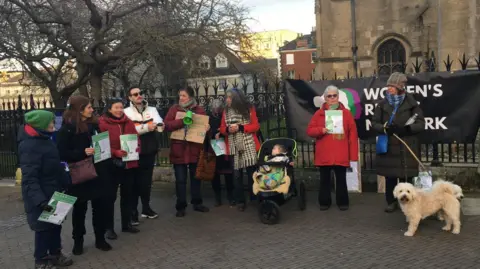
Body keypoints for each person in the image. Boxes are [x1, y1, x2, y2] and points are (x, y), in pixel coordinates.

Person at [56, 96, 112, 255]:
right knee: (80, 210)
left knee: (99, 208)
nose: (92, 110)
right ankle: (78, 241)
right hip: (80, 174)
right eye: (88, 107)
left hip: (98, 171)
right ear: (79, 109)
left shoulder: (94, 125)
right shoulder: (67, 129)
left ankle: (100, 238)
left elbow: (100, 143)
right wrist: (82, 153)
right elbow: (61, 153)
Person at [18, 110, 73, 269]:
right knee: (42, 229)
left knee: (55, 225)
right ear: (41, 124)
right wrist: (40, 201)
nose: (53, 124)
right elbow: (29, 178)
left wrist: (65, 182)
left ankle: (56, 254)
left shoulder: (46, 140)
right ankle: (41, 259)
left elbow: (56, 165)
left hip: (54, 191)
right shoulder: (29, 146)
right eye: (50, 122)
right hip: (41, 195)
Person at [371, 72, 425, 213]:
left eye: (392, 86)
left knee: (406, 177)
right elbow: (374, 122)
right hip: (389, 146)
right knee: (390, 177)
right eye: (388, 86)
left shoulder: (412, 104)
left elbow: (421, 124)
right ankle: (391, 202)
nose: (389, 88)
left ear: (400, 87)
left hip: (406, 145)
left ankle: (409, 203)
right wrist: (385, 128)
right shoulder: (382, 105)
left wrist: (406, 129)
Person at [306, 85, 359, 211]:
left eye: (334, 95)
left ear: (338, 97)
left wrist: (353, 156)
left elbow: (353, 134)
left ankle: (343, 202)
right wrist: (321, 130)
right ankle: (324, 202)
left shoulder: (346, 113)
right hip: (325, 153)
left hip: (340, 153)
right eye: (329, 96)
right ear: (325, 98)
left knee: (341, 179)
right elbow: (309, 131)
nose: (332, 98)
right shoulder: (318, 114)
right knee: (324, 180)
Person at [164, 87, 210, 217]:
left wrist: (207, 129)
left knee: (196, 178)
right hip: (179, 149)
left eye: (183, 95)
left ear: (190, 97)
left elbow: (204, 130)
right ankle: (181, 206)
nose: (181, 98)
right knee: (180, 180)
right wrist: (181, 121)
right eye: (180, 95)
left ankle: (197, 203)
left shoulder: (199, 110)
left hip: (194, 149)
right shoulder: (174, 109)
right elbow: (166, 125)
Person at [99, 98, 141, 236]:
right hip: (112, 165)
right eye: (116, 107)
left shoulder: (128, 122)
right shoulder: (102, 123)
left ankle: (126, 223)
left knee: (128, 195)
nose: (119, 110)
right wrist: (115, 152)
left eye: (121, 107)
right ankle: (109, 228)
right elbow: (100, 145)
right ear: (109, 109)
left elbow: (136, 138)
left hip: (129, 163)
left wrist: (137, 148)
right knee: (110, 197)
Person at [124, 87, 163, 223]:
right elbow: (129, 130)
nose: (139, 96)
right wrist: (146, 127)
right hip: (134, 150)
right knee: (134, 183)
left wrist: (156, 125)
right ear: (130, 97)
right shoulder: (126, 112)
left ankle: (146, 208)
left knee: (146, 182)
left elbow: (159, 123)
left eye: (140, 93)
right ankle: (133, 213)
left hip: (149, 149)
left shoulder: (151, 109)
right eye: (135, 94)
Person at [219, 88, 261, 212]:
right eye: (226, 97)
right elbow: (222, 128)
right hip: (233, 147)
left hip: (248, 144)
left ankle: (254, 198)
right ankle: (240, 201)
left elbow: (256, 126)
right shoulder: (225, 111)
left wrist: (241, 127)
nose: (227, 100)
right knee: (236, 175)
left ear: (236, 98)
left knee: (251, 173)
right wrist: (227, 130)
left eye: (229, 97)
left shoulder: (249, 109)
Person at [208, 99, 234, 207]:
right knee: (215, 174)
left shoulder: (225, 115)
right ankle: (217, 197)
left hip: (225, 146)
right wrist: (214, 132)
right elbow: (207, 131)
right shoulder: (208, 117)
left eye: (218, 109)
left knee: (229, 173)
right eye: (214, 109)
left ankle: (230, 196)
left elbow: (227, 128)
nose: (216, 111)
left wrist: (221, 132)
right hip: (214, 147)